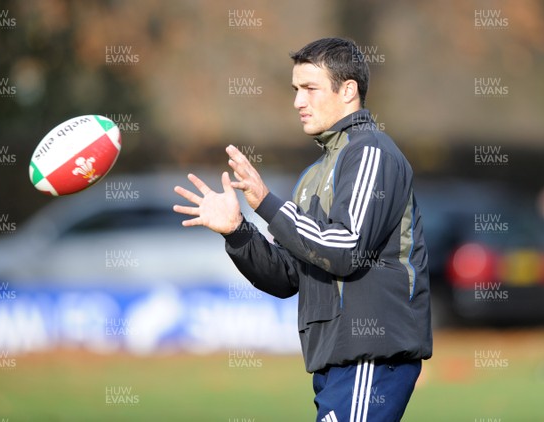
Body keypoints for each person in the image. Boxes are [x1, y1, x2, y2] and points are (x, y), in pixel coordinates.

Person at [173, 37, 432, 422]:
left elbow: (346, 248)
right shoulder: (312, 175)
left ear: (348, 91)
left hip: (371, 355)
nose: (298, 101)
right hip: (334, 362)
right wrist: (238, 231)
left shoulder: (370, 152)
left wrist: (266, 203)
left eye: (310, 88)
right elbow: (287, 276)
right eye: (295, 90)